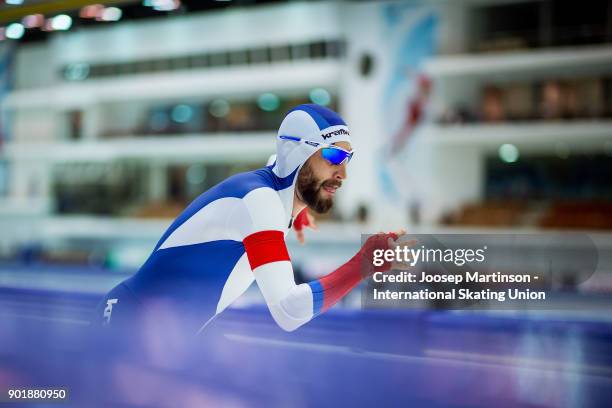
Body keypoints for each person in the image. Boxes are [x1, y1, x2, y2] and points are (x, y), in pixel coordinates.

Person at [95, 104, 400, 338]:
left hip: (159, 338)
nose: (343, 173)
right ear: (297, 156)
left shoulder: (274, 192)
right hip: (127, 330)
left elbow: (278, 162)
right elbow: (288, 312)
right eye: (333, 157)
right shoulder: (260, 203)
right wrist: (363, 264)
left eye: (348, 159)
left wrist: (299, 207)